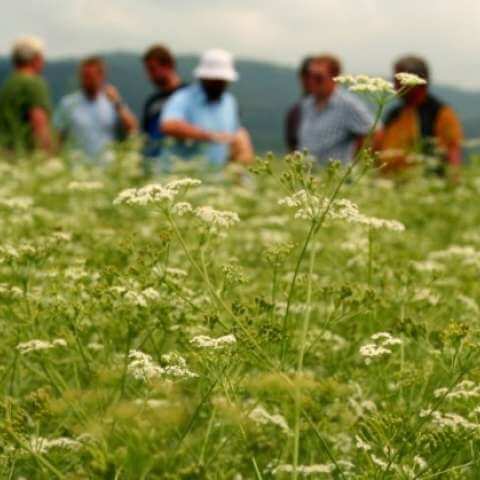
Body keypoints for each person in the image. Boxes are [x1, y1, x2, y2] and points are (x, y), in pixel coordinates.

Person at [161, 48, 253, 168]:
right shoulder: (183, 98)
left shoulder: (229, 102)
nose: (218, 85)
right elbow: (169, 125)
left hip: (215, 178)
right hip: (180, 175)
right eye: (214, 81)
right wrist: (208, 136)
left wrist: (240, 143)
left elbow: (234, 135)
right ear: (203, 78)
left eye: (222, 81)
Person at [377, 55, 463, 174]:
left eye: (398, 80)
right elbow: (378, 146)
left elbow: (453, 151)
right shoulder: (394, 114)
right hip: (387, 185)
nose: (394, 85)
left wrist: (453, 179)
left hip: (423, 184)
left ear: (416, 81)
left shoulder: (440, 112)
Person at [298, 54, 376, 166]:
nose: (312, 81)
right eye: (310, 76)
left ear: (334, 76)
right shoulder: (307, 104)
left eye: (318, 78)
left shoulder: (348, 104)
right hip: (308, 176)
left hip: (335, 177)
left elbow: (373, 132)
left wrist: (355, 163)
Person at [54, 56, 137, 159]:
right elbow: (58, 137)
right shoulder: (68, 104)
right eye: (84, 77)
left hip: (108, 168)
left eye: (90, 77)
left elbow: (132, 128)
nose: (86, 81)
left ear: (101, 76)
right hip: (77, 169)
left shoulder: (112, 102)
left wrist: (117, 103)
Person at [0, 36, 53, 154]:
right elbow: (39, 123)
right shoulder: (34, 83)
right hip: (27, 155)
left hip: (6, 155)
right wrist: (48, 157)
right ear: (35, 59)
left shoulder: (9, 84)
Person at [142, 44, 186, 160]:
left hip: (179, 163)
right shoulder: (152, 102)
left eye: (152, 69)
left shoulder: (188, 96)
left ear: (168, 65)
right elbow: (145, 136)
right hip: (153, 165)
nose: (149, 76)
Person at [285, 56, 313, 152]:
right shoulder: (295, 111)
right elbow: (291, 146)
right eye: (305, 76)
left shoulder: (341, 105)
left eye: (314, 77)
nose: (309, 81)